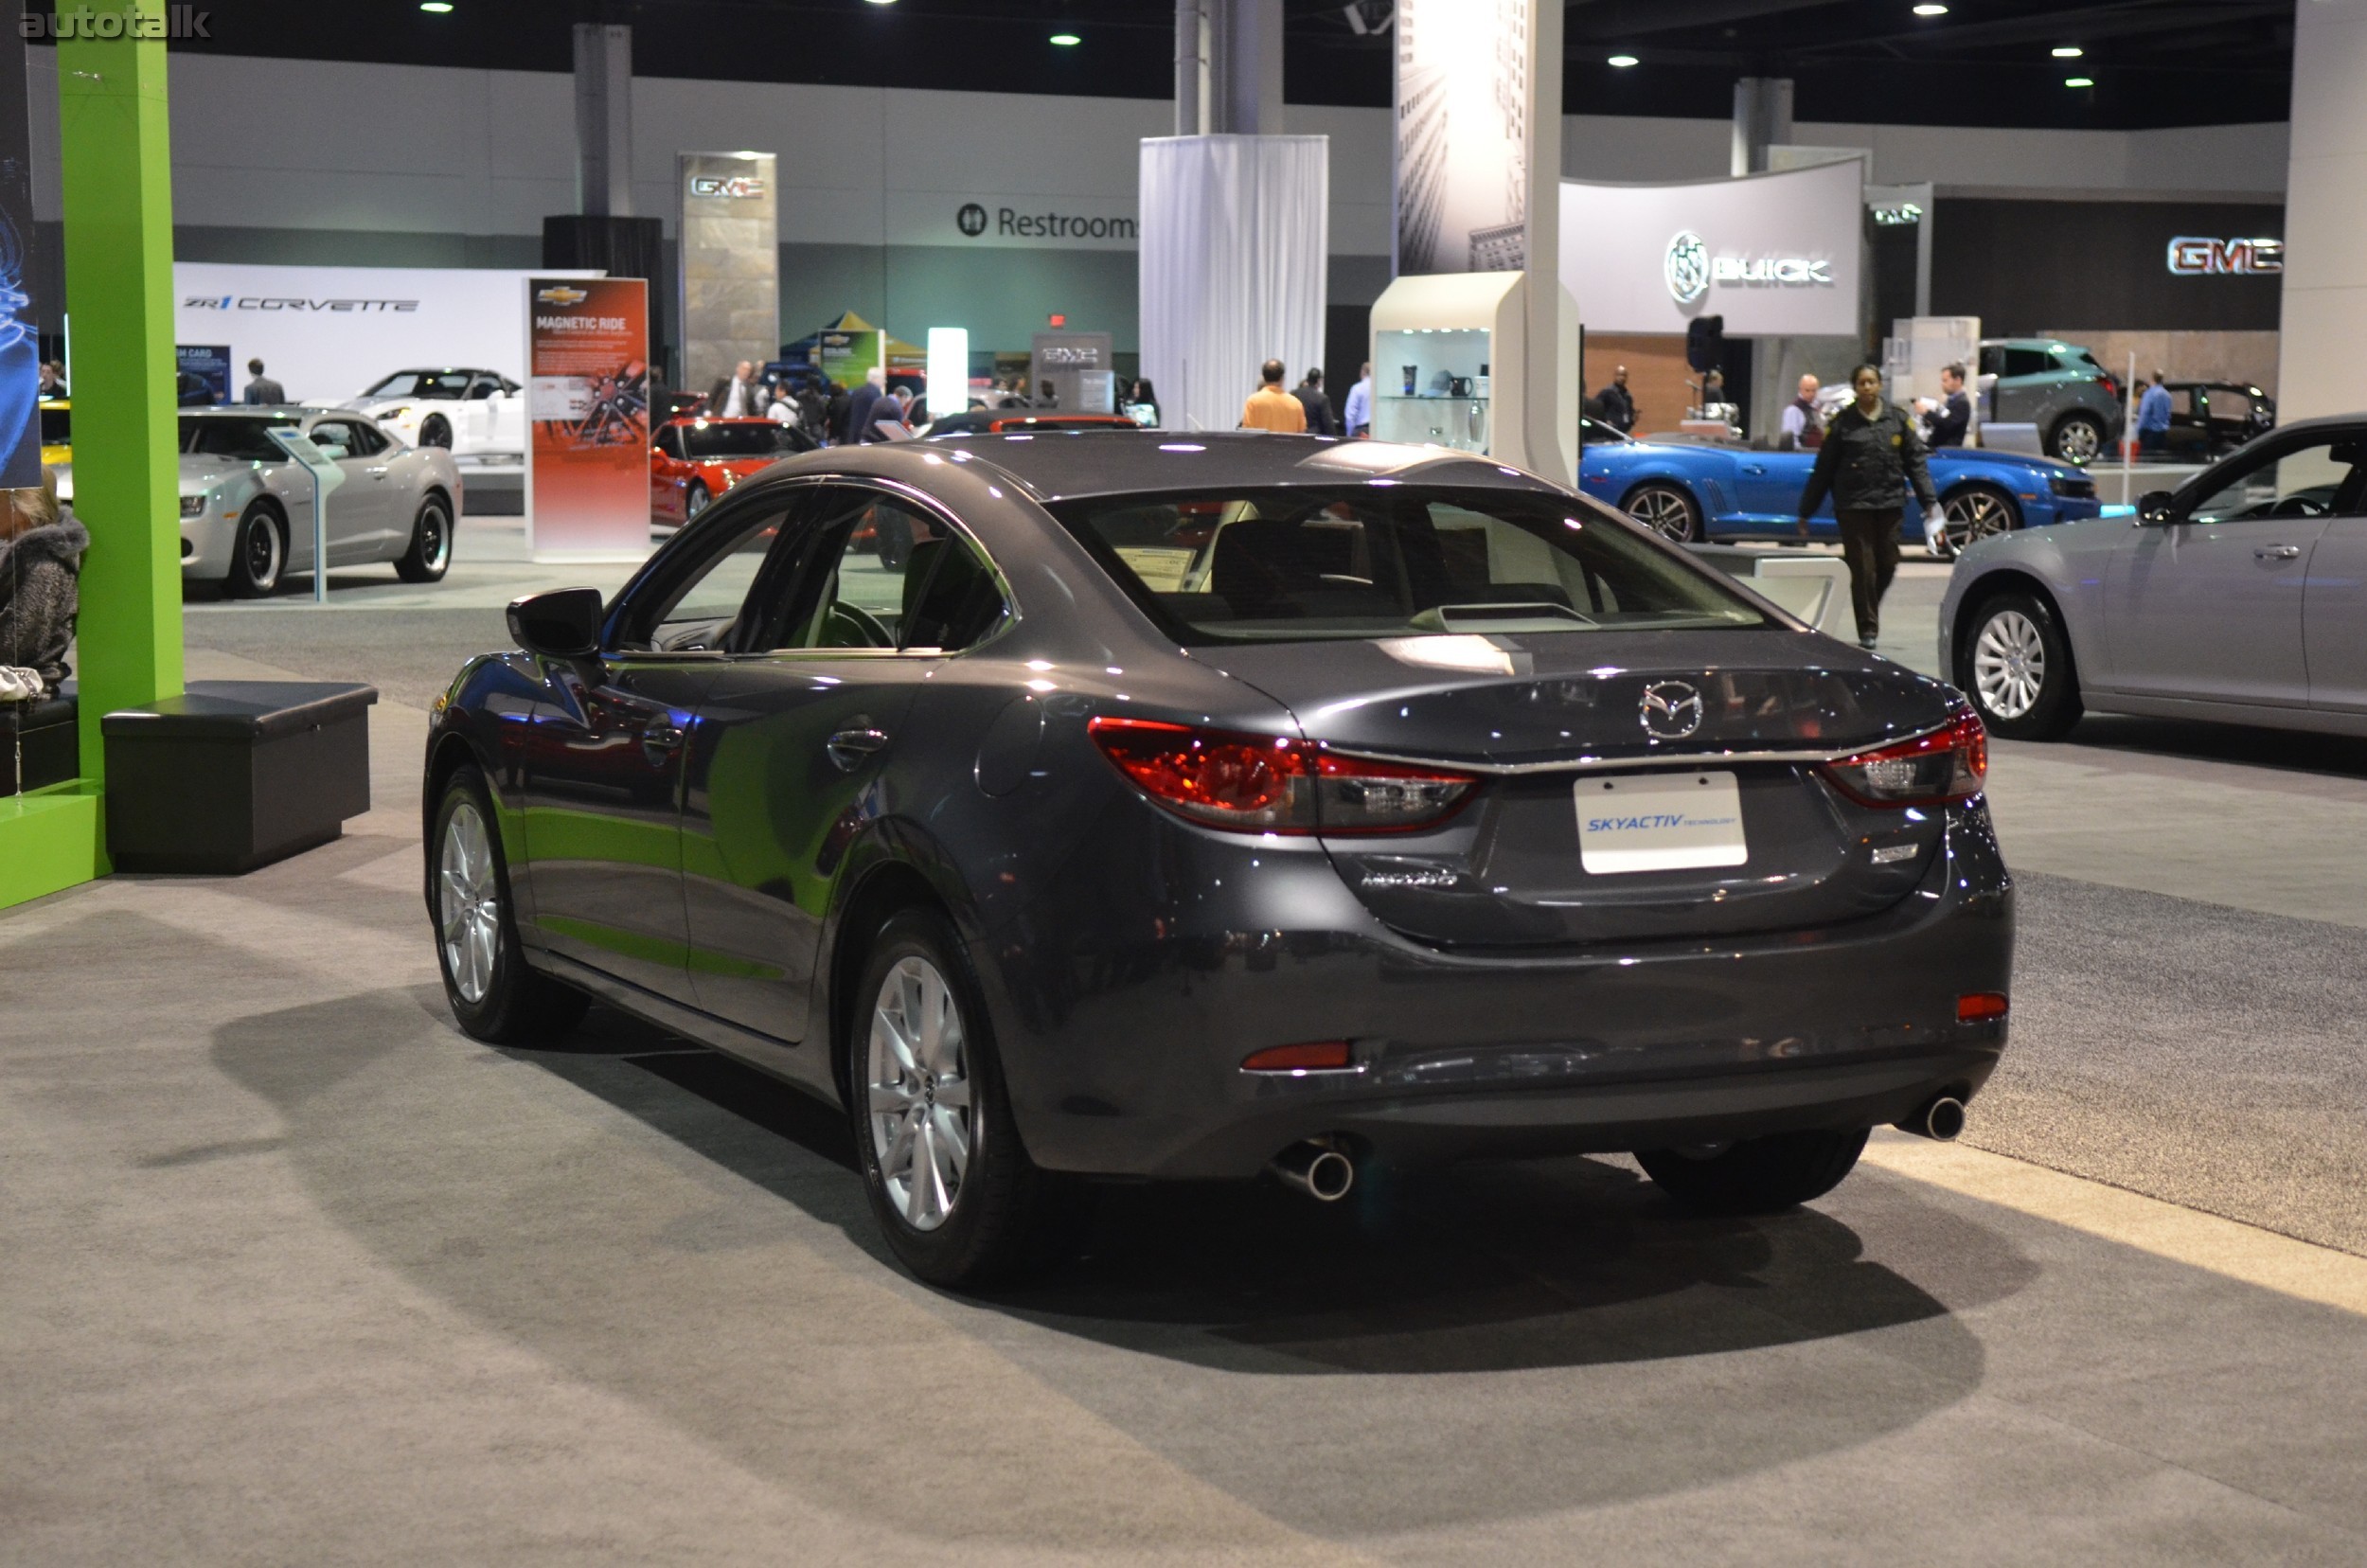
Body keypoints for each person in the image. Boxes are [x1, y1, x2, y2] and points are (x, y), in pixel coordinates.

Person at [1798, 364, 1936, 651]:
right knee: (1861, 568)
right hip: (1853, 505)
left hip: (1890, 503)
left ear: (1879, 385)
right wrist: (1805, 511)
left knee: (1888, 563)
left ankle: (1869, 602)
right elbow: (1823, 469)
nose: (1867, 387)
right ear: (1855, 387)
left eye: (1871, 382)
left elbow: (1916, 464)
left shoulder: (1897, 420)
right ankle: (1868, 628)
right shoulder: (1842, 424)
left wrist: (1930, 502)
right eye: (1861, 383)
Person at [0, 469, 87, 698]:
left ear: (20, 506)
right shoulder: (17, 556)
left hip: (17, 690)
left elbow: (15, 648)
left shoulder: (43, 565)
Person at [1239, 358, 1308, 433]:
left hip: (1262, 444)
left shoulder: (1253, 401)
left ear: (1264, 378)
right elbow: (1301, 434)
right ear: (1282, 378)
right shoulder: (1296, 404)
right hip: (1287, 444)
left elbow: (1248, 432)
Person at [1928, 363, 1971, 448]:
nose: (1942, 384)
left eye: (1945, 380)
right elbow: (1942, 418)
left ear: (1958, 380)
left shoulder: (1962, 403)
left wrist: (1926, 413)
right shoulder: (1950, 401)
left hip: (1947, 451)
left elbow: (1946, 424)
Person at [1779, 373, 1824, 451]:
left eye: (1814, 391)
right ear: (1800, 390)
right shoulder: (1793, 411)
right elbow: (1791, 441)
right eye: (1807, 390)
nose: (1811, 394)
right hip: (1804, 455)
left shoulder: (1816, 407)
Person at [846, 365, 888, 443]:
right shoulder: (876, 394)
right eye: (883, 378)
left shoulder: (856, 392)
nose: (885, 381)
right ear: (876, 378)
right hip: (867, 437)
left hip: (853, 435)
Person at [1292, 367, 1338, 437]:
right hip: (1314, 440)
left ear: (1307, 379)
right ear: (1319, 381)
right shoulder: (1322, 398)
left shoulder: (1294, 394)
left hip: (1295, 436)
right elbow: (1328, 424)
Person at [2137, 369, 2173, 456]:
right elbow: (2168, 414)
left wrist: (2138, 430)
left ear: (2152, 379)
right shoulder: (2167, 395)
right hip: (2163, 433)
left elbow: (2144, 413)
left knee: (2147, 459)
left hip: (2150, 433)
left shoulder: (2149, 394)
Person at [1596, 365, 1635, 434]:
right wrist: (1605, 420)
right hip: (1610, 431)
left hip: (1624, 432)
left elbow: (1629, 412)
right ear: (1615, 376)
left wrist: (1632, 419)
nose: (1621, 378)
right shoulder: (1608, 392)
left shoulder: (1628, 396)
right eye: (1619, 375)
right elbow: (1596, 407)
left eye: (1624, 375)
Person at [1343, 361, 1374, 437]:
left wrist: (1349, 434)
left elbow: (1350, 415)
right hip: (1378, 430)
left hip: (1361, 431)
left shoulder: (1357, 388)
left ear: (1362, 372)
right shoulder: (1379, 388)